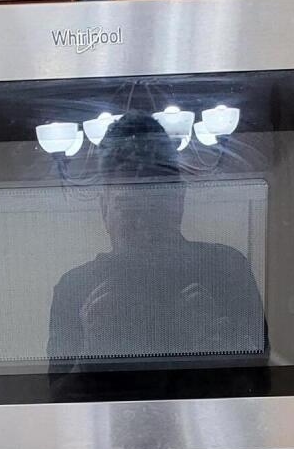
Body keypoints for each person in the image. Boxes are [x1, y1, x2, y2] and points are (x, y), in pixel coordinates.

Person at [47, 112, 267, 372]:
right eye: (129, 209)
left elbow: (260, 379)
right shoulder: (73, 288)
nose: (144, 227)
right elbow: (58, 395)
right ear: (104, 209)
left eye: (157, 207)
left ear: (179, 202)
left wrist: (215, 342)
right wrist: (91, 349)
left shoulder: (227, 269)